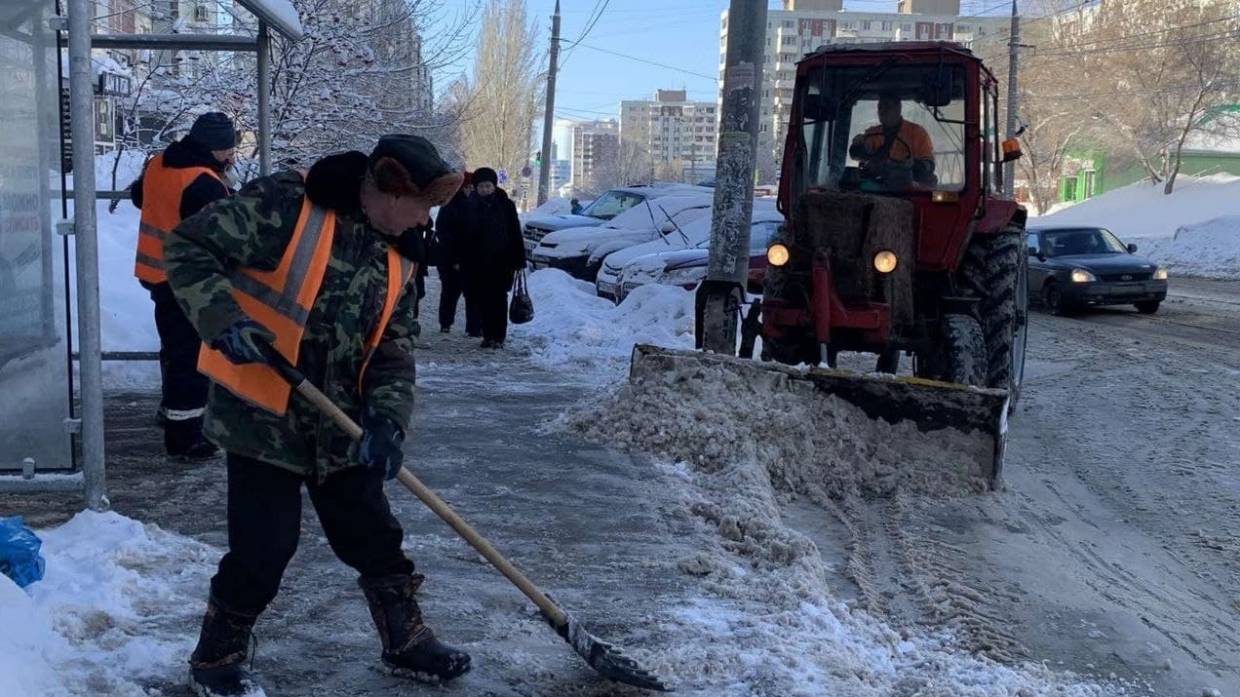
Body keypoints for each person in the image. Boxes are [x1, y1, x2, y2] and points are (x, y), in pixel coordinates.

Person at [164, 135, 469, 697]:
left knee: (375, 534)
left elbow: (394, 348)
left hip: (342, 423)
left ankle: (405, 639)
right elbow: (187, 248)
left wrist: (387, 421)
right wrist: (223, 319)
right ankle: (216, 657)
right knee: (264, 548)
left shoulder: (400, 251)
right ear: (391, 190)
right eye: (423, 205)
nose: (427, 219)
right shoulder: (287, 205)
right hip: (264, 415)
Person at [130, 111, 236, 460]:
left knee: (173, 347)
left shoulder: (160, 163)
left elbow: (139, 197)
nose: (230, 156)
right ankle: (185, 437)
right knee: (189, 356)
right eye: (227, 150)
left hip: (156, 273)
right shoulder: (205, 183)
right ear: (217, 149)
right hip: (186, 281)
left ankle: (170, 410)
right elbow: (223, 234)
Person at [459, 167, 525, 349]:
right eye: (481, 186)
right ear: (476, 187)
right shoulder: (469, 206)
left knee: (499, 299)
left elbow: (515, 233)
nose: (485, 190)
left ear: (494, 186)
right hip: (477, 262)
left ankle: (499, 336)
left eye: (488, 186)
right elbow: (462, 235)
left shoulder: (506, 205)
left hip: (502, 262)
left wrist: (519, 258)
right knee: (482, 299)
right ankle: (488, 336)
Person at [848, 93, 936, 188]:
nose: (882, 111)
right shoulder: (871, 133)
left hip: (910, 189)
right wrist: (858, 145)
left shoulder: (917, 132)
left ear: (898, 109)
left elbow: (929, 164)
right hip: (876, 188)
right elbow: (858, 153)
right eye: (880, 107)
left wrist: (913, 165)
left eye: (887, 106)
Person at [432, 171, 477, 335]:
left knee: (472, 294)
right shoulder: (450, 205)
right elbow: (443, 232)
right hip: (450, 258)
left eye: (472, 187)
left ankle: (473, 327)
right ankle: (445, 323)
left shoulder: (478, 204)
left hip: (472, 259)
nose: (470, 190)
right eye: (467, 187)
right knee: (450, 292)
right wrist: (455, 258)